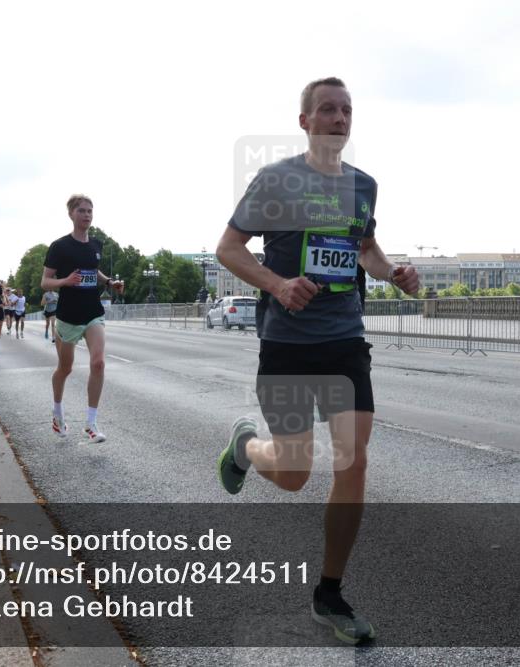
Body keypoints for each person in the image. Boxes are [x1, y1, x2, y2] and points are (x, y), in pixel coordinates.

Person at [214, 77, 418, 645]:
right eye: (327, 109)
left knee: (353, 462)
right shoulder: (276, 180)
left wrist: (394, 272)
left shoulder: (364, 186)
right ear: (304, 121)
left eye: (347, 110)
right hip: (286, 344)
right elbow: (228, 249)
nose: (339, 118)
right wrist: (278, 284)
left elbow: (365, 247)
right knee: (295, 474)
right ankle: (247, 447)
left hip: (345, 342)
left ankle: (329, 592)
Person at [40, 194, 124, 442]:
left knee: (98, 363)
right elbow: (45, 282)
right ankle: (57, 413)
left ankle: (91, 423)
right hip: (68, 316)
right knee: (65, 368)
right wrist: (65, 281)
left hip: (93, 313)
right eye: (82, 211)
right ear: (71, 214)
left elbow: (93, 270)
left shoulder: (96, 245)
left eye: (90, 211)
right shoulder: (59, 247)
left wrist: (109, 281)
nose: (87, 215)